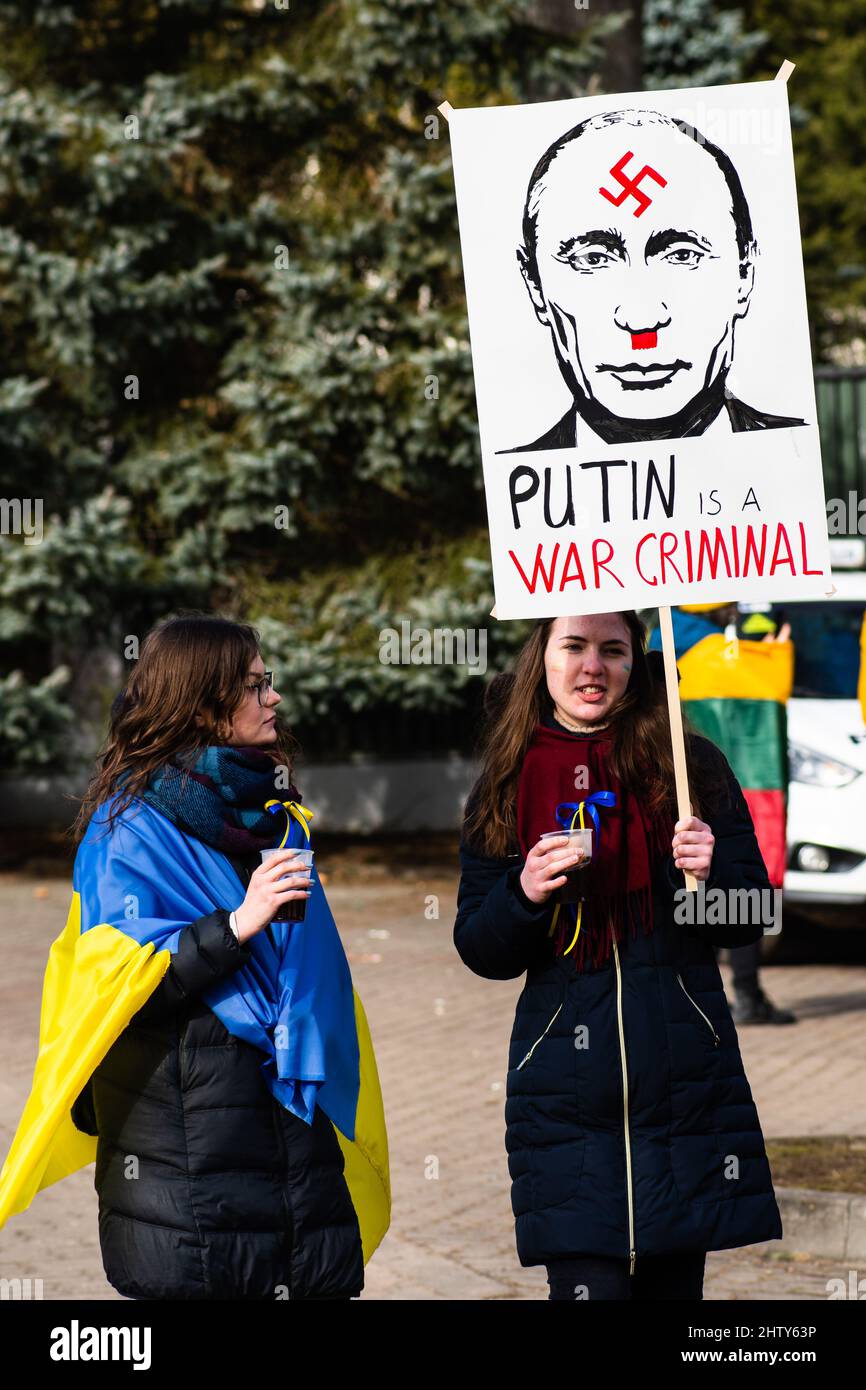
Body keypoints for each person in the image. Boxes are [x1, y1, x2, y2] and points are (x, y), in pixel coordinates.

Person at [0, 613, 389, 1299]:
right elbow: (119, 992)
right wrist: (237, 925)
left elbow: (312, 976)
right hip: (188, 1163)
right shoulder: (127, 829)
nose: (273, 699)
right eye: (253, 686)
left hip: (293, 1140)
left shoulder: (276, 814)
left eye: (268, 683)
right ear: (205, 703)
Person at [453, 610, 783, 1300]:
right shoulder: (507, 783)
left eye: (613, 649)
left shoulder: (690, 769)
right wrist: (524, 894)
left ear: (639, 663)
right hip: (567, 1099)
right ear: (542, 660)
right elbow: (481, 949)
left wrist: (709, 874)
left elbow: (749, 917)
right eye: (573, 646)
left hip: (686, 1090)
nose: (592, 667)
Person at [499, 108, 806, 453]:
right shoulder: (516, 491)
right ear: (534, 284)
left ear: (744, 273)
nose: (642, 321)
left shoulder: (796, 461)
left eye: (682, 255)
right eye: (593, 259)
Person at [648, 603, 796, 1025]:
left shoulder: (656, 639)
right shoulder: (716, 648)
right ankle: (747, 993)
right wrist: (764, 659)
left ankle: (705, 994)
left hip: (677, 787)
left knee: (698, 883)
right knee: (740, 876)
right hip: (728, 785)